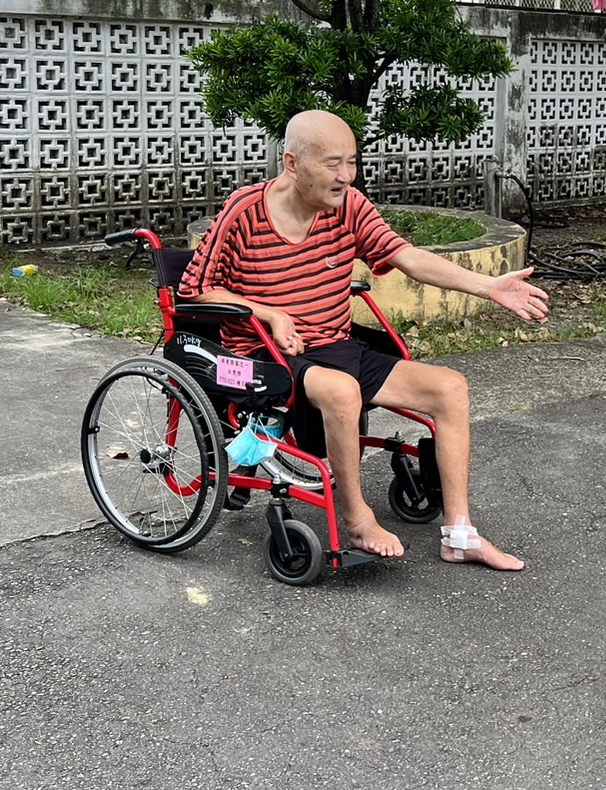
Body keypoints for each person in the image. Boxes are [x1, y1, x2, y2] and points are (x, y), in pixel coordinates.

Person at [179, 109, 548, 571]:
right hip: (264, 354)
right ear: (292, 163)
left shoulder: (350, 206)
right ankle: (356, 517)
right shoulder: (244, 211)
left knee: (450, 388)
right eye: (333, 163)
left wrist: (488, 286)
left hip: (336, 346)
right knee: (340, 389)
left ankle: (459, 534)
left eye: (352, 162)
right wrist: (270, 313)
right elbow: (194, 289)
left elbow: (406, 256)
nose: (346, 176)